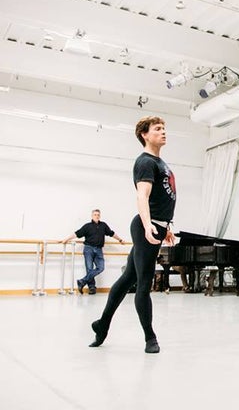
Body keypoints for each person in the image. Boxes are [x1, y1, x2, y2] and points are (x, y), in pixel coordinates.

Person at [88, 116, 176, 354]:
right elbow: (142, 196)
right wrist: (149, 226)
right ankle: (150, 338)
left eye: (164, 128)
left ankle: (102, 325)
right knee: (143, 283)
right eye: (158, 129)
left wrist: (164, 227)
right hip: (146, 228)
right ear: (144, 135)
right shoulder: (145, 162)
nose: (163, 132)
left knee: (128, 278)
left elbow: (162, 198)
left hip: (156, 226)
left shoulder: (160, 162)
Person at [62, 209, 124, 295]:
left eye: (98, 215)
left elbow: (111, 233)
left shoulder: (103, 225)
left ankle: (82, 281)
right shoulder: (87, 226)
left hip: (99, 250)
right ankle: (92, 288)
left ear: (100, 216)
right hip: (88, 249)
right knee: (89, 269)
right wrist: (66, 239)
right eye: (95, 214)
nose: (97, 216)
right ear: (92, 216)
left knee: (101, 267)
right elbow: (77, 233)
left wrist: (120, 240)